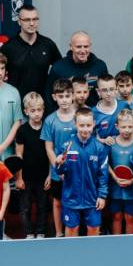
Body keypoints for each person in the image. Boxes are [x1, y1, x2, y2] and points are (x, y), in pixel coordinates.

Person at [55, 108, 109, 237]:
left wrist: (102, 195)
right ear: (75, 124)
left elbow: (103, 175)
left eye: (88, 125)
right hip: (71, 198)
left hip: (92, 199)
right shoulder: (67, 146)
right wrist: (59, 164)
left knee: (93, 228)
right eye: (82, 125)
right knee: (72, 229)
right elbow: (60, 171)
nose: (85, 129)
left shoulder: (99, 147)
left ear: (94, 124)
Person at [0, 4, 62, 99]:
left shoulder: (48, 44)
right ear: (19, 22)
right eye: (27, 20)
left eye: (35, 19)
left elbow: (60, 70)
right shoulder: (8, 47)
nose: (32, 23)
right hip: (16, 102)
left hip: (42, 103)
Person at [43, 78, 78, 237]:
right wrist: (58, 169)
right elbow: (49, 148)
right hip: (58, 172)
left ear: (73, 96)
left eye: (67, 96)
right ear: (54, 97)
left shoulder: (79, 117)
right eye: (60, 96)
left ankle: (75, 231)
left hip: (77, 169)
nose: (64, 100)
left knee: (76, 201)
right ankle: (58, 233)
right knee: (57, 202)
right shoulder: (50, 120)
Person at [13, 92, 50, 239]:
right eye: (33, 110)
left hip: (43, 176)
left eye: (39, 110)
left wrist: (50, 175)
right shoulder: (22, 130)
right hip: (26, 177)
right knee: (25, 207)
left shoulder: (47, 128)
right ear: (26, 111)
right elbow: (19, 155)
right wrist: (19, 177)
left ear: (43, 110)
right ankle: (28, 232)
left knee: (42, 206)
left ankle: (41, 231)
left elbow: (50, 152)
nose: (36, 113)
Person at [45, 31, 109, 109]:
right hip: (67, 114)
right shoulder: (58, 67)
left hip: (94, 113)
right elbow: (49, 98)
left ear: (90, 46)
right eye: (78, 47)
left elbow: (106, 92)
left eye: (86, 46)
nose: (82, 50)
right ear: (71, 46)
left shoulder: (100, 66)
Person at [107, 109, 133, 235]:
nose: (127, 130)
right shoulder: (111, 143)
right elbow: (105, 163)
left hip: (132, 190)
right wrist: (115, 177)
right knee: (116, 216)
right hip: (115, 188)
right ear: (117, 126)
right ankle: (117, 243)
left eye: (130, 127)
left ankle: (130, 244)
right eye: (123, 127)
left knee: (130, 217)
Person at [92, 74, 127, 145]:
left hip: (122, 148)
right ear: (98, 91)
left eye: (111, 89)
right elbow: (90, 136)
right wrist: (103, 140)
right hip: (102, 150)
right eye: (104, 90)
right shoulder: (93, 112)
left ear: (116, 90)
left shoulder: (124, 106)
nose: (108, 94)